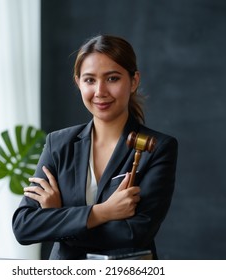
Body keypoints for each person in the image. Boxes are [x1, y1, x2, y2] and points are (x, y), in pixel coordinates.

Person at [12, 34, 178, 260]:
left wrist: (58, 218)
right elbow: (24, 227)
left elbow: (134, 234)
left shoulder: (157, 148)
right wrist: (104, 212)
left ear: (134, 81)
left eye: (112, 78)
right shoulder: (58, 144)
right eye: (90, 80)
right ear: (78, 82)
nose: (100, 91)